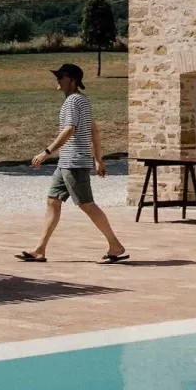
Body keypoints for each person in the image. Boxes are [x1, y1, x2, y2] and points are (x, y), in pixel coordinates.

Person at [17, 62, 129, 263]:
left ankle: (115, 245)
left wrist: (46, 152)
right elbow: (94, 129)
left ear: (72, 80)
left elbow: (70, 129)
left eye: (61, 76)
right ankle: (39, 250)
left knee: (87, 205)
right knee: (53, 201)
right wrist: (98, 159)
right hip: (67, 162)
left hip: (74, 161)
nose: (57, 80)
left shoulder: (72, 102)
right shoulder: (82, 100)